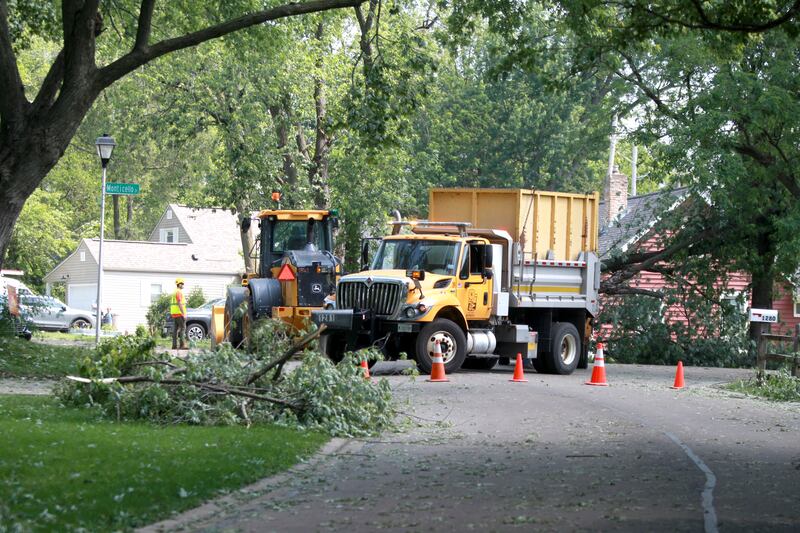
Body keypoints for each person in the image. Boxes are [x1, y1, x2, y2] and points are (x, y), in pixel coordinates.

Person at [170, 278, 187, 349]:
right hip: (179, 313)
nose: (183, 285)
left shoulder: (174, 291)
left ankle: (174, 345)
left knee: (175, 329)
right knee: (183, 328)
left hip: (174, 313)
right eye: (182, 283)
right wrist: (184, 314)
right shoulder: (178, 292)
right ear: (179, 284)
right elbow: (179, 302)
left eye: (183, 283)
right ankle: (182, 345)